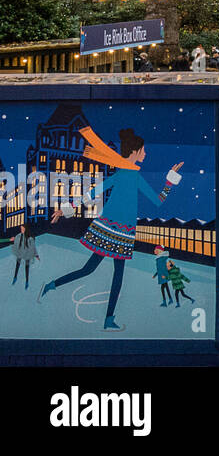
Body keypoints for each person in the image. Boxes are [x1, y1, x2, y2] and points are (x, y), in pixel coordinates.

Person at [39, 128, 184, 331]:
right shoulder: (130, 174)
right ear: (134, 151)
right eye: (143, 150)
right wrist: (170, 181)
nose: (145, 154)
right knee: (112, 275)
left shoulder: (127, 173)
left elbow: (94, 192)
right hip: (117, 232)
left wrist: (67, 209)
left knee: (90, 270)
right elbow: (158, 200)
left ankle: (52, 286)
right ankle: (105, 318)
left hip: (114, 231)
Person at [8, 223, 37, 289]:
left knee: (27, 267)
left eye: (22, 229)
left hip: (27, 253)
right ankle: (15, 277)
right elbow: (16, 239)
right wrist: (14, 239)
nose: (21, 230)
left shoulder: (31, 237)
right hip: (20, 252)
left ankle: (27, 281)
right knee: (17, 264)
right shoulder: (19, 235)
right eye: (21, 229)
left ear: (26, 229)